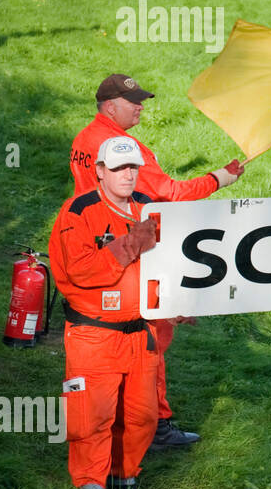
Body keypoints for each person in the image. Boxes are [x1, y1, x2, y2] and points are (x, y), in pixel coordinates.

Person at [70, 74, 243, 453]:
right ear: (110, 105)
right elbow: (170, 195)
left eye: (141, 100)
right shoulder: (125, 147)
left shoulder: (83, 141)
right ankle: (155, 426)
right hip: (135, 253)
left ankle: (112, 422)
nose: (141, 106)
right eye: (133, 101)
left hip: (98, 251)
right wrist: (220, 178)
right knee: (152, 340)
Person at [50, 136, 163, 489]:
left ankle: (125, 484)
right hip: (94, 334)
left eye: (133, 167)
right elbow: (82, 272)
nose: (127, 175)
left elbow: (169, 267)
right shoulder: (78, 213)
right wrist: (131, 244)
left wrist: (175, 303)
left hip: (140, 335)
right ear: (100, 171)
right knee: (93, 416)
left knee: (141, 416)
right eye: (118, 168)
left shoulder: (149, 209)